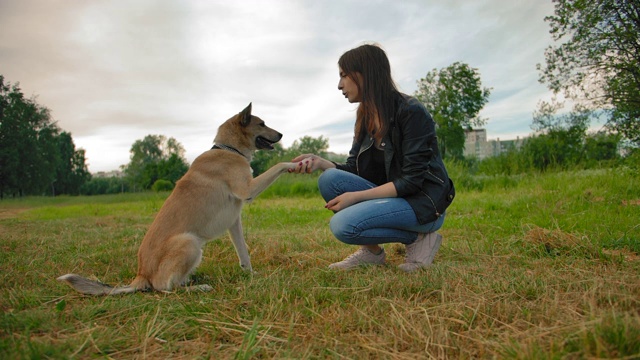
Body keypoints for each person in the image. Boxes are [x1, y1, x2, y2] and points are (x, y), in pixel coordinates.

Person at [290, 43, 455, 272]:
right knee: (329, 178)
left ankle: (420, 239)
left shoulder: (411, 111)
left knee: (343, 225)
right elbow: (355, 168)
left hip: (424, 205)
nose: (339, 85)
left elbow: (412, 181)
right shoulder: (365, 116)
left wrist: (356, 197)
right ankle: (372, 253)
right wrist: (321, 163)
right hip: (395, 200)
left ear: (365, 73)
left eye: (343, 76)